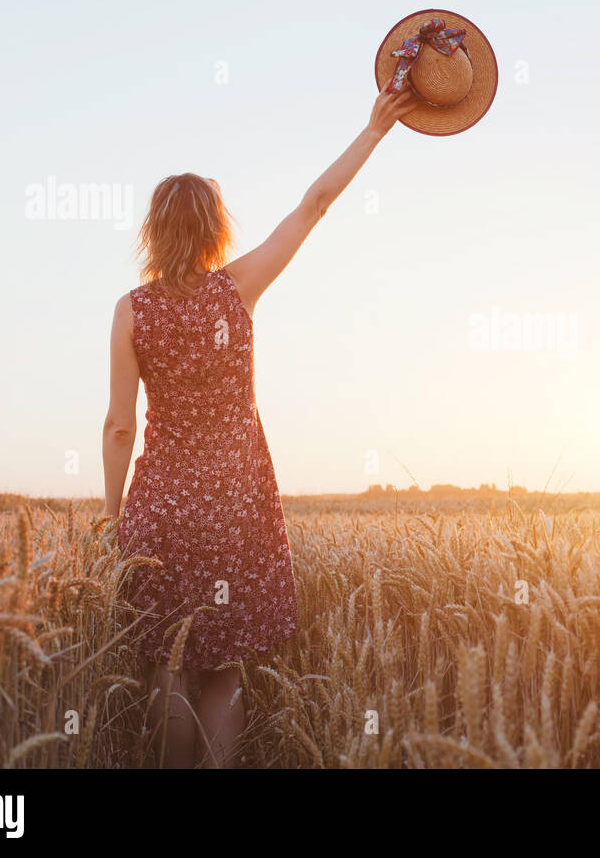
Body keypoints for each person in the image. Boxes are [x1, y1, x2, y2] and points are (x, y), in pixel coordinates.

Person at [100, 87, 418, 767]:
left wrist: (111, 517)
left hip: (161, 509)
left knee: (167, 660)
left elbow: (119, 428)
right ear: (216, 229)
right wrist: (373, 131)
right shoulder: (237, 289)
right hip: (236, 508)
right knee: (223, 667)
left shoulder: (132, 312)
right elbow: (314, 204)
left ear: (153, 233)